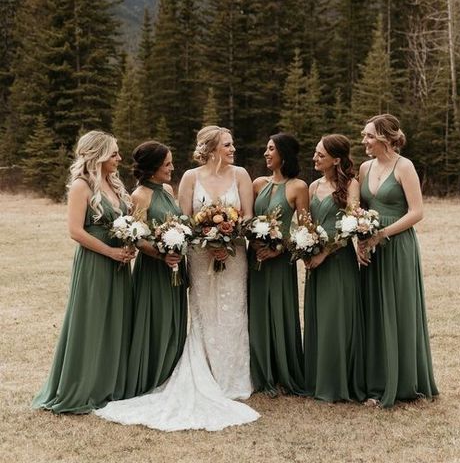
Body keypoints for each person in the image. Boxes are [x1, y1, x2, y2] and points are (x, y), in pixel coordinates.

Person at [95, 126, 260, 431]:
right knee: (203, 312)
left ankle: (232, 377)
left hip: (234, 255)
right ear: (211, 148)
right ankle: (202, 370)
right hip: (197, 256)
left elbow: (247, 215)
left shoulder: (241, 175)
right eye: (227, 144)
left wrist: (227, 238)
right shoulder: (189, 178)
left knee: (234, 312)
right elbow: (181, 220)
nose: (233, 148)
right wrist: (205, 240)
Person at [32, 130, 134, 414]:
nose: (119, 158)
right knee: (91, 322)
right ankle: (83, 386)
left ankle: (110, 384)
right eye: (114, 153)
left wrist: (129, 244)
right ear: (98, 155)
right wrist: (111, 251)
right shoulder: (81, 185)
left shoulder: (114, 183)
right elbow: (75, 231)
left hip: (119, 264)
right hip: (95, 264)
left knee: (116, 321)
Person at [358, 114, 438, 407]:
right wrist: (361, 239)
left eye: (368, 136)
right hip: (371, 246)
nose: (364, 141)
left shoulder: (405, 167)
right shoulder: (365, 168)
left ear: (385, 137)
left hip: (398, 244)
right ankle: (376, 381)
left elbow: (417, 212)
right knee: (374, 311)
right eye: (364, 136)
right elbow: (360, 209)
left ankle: (404, 381)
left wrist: (383, 234)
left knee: (399, 307)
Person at [304, 134, 365, 403]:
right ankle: (318, 379)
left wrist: (325, 253)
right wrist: (306, 247)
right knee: (318, 318)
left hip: (339, 260)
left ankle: (339, 383)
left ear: (336, 160)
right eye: (315, 153)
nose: (315, 158)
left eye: (321, 155)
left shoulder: (351, 185)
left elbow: (351, 226)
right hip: (314, 261)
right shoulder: (313, 185)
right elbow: (305, 223)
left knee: (336, 319)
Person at [124, 141, 187, 398]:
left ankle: (173, 371)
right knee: (157, 321)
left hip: (175, 268)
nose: (172, 168)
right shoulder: (139, 196)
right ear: (152, 167)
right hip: (153, 270)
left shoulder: (168, 189)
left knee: (175, 321)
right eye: (167, 164)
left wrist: (178, 248)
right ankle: (152, 375)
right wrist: (162, 255)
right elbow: (136, 237)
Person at [248, 132, 308, 396]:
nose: (266, 153)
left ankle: (284, 372)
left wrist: (280, 247)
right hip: (255, 257)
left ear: (283, 154)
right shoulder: (258, 184)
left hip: (281, 260)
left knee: (280, 311)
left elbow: (306, 230)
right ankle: (260, 373)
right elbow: (247, 219)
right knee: (256, 311)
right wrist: (254, 237)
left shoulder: (298, 187)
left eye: (270, 149)